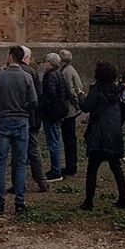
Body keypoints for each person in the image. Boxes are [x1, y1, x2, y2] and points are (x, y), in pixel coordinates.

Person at [0, 45, 36, 214]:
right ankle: (19, 202)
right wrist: (25, 112)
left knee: (1, 162)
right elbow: (33, 101)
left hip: (4, 120)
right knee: (20, 162)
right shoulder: (26, 78)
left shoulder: (0, 78)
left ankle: (0, 202)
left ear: (10, 57)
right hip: (21, 121)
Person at [80, 61, 125, 210]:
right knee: (116, 167)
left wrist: (81, 96)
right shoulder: (115, 90)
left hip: (99, 133)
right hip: (113, 132)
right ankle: (123, 199)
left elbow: (86, 107)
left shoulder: (97, 90)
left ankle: (89, 201)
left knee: (92, 169)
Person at [16, 46, 49, 193]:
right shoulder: (33, 73)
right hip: (31, 116)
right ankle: (41, 181)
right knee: (33, 150)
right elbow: (38, 96)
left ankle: (18, 183)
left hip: (19, 116)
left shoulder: (15, 71)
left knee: (18, 151)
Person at [38, 52, 69, 181]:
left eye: (46, 61)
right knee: (56, 140)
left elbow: (50, 94)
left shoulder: (50, 76)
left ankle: (56, 170)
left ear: (50, 63)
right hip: (58, 111)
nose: (44, 64)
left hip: (51, 113)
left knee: (53, 142)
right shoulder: (60, 74)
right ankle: (56, 167)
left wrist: (41, 105)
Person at [59, 49, 84, 177]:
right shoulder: (70, 69)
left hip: (69, 110)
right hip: (70, 109)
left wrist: (76, 105)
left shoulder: (66, 71)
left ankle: (71, 166)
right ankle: (71, 165)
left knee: (69, 138)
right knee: (69, 138)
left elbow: (71, 90)